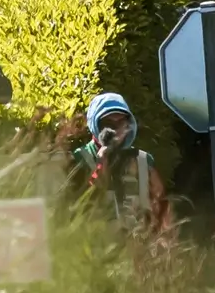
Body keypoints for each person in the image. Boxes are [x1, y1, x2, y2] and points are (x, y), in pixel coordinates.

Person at [71, 92, 170, 232]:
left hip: (138, 241)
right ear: (95, 124)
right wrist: (102, 159)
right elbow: (86, 196)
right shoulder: (80, 158)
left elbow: (162, 205)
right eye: (108, 124)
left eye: (121, 123)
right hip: (96, 241)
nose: (116, 130)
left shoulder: (143, 161)